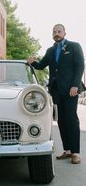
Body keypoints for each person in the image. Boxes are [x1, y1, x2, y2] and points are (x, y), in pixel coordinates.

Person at [27, 24, 84, 164]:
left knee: (71, 119)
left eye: (59, 31)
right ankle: (67, 150)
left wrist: (75, 85)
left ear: (64, 32)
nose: (56, 33)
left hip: (71, 89)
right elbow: (41, 65)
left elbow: (80, 66)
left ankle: (76, 153)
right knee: (61, 120)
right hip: (56, 90)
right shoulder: (50, 50)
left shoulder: (74, 46)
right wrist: (32, 62)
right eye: (54, 32)